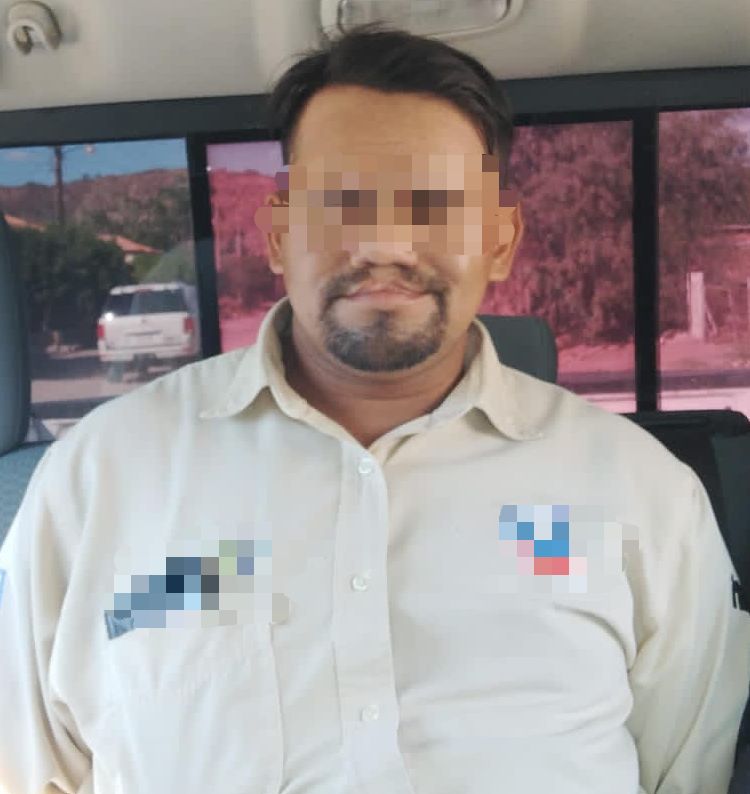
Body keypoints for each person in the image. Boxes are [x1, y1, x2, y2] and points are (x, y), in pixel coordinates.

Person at [1, 24, 749, 794]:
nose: (385, 244)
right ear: (278, 235)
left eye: (436, 203)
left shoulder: (642, 495)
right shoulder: (100, 480)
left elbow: (685, 768)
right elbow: (29, 769)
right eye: (340, 201)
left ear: (500, 241)